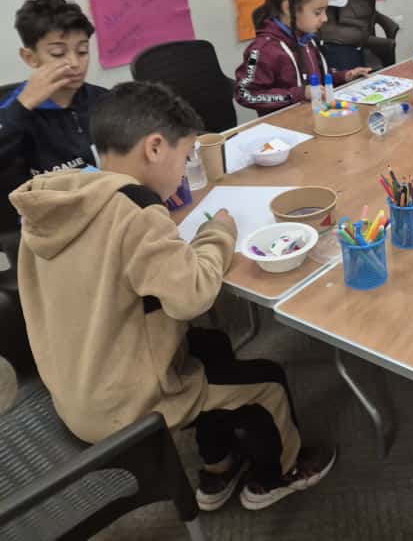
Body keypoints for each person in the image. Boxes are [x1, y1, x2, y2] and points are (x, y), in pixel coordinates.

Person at [10, 82, 335, 512]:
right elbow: (192, 297)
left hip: (77, 384)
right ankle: (278, 475)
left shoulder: (56, 202)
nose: (184, 174)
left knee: (211, 345)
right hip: (127, 405)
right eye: (185, 159)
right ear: (155, 148)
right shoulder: (134, 210)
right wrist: (218, 232)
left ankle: (218, 467)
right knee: (267, 381)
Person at [235, 0, 369, 115]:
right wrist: (299, 94)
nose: (325, 18)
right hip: (284, 124)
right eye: (317, 12)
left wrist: (344, 76)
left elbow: (316, 79)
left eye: (325, 11)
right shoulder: (261, 50)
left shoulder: (307, 39)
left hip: (313, 117)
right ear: (288, 8)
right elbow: (245, 94)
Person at [0, 0, 106, 177]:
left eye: (82, 51)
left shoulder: (105, 99)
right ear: (30, 57)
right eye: (58, 53)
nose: (74, 63)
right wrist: (23, 106)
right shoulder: (11, 112)